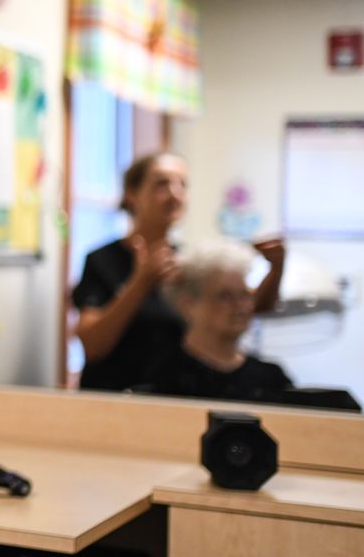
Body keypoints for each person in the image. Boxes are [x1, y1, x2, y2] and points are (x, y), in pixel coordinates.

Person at [71, 151, 284, 390]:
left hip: (169, 395)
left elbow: (244, 307)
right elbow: (92, 345)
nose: (175, 194)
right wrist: (141, 283)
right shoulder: (102, 261)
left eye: (182, 184)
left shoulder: (187, 262)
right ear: (132, 194)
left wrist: (275, 269)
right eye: (162, 183)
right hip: (112, 400)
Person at [148, 239, 293, 402]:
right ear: (188, 304)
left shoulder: (272, 378)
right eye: (225, 296)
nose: (240, 306)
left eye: (244, 294)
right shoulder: (164, 375)